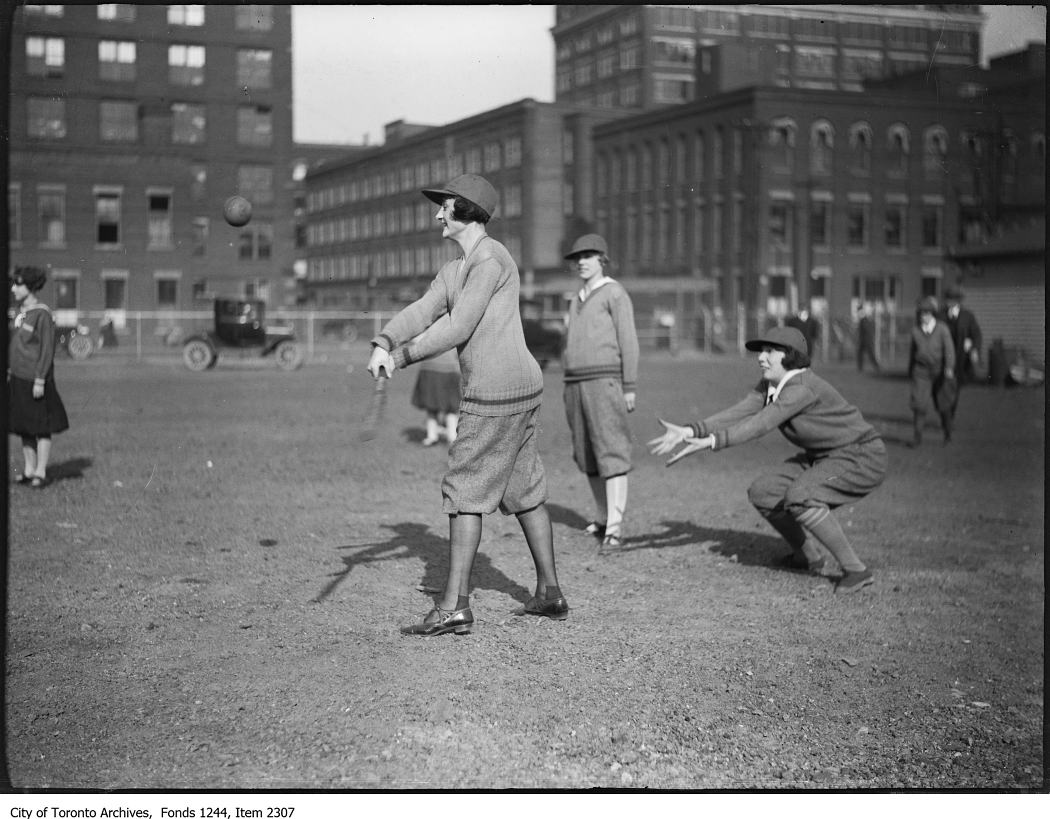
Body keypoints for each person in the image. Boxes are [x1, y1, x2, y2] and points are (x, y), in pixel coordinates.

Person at [366, 173, 567, 636]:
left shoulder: (491, 259)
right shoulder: (455, 268)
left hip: (495, 393)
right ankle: (550, 593)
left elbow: (458, 326)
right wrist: (384, 339)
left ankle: (453, 605)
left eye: (447, 206)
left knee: (464, 492)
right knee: (523, 487)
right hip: (521, 389)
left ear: (470, 211)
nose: (439, 213)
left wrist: (400, 356)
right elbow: (423, 309)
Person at [648, 326, 887, 594]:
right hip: (823, 457)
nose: (761, 357)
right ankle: (809, 556)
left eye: (769, 351)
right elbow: (740, 412)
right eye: (761, 351)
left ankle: (856, 570)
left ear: (790, 355)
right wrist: (691, 431)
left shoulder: (802, 388)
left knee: (801, 495)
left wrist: (714, 441)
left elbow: (761, 424)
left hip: (861, 457)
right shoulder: (771, 386)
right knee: (764, 491)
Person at [561, 234, 640, 554]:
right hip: (575, 384)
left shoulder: (614, 292)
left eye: (589, 255)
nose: (582, 261)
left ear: (602, 259)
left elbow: (629, 341)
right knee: (587, 453)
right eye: (578, 256)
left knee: (612, 452)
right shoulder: (575, 297)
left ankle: (616, 529)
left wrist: (629, 386)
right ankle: (604, 517)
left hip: (605, 381)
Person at [8, 266, 70, 488]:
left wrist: (40, 379)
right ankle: (28, 469)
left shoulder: (42, 314)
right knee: (24, 427)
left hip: (36, 380)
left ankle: (41, 472)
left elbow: (46, 350)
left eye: (18, 284)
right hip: (17, 378)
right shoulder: (19, 311)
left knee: (41, 426)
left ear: (31, 287)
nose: (14, 288)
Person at [907, 297, 955, 447]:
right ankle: (917, 437)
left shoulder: (942, 329)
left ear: (932, 314)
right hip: (921, 371)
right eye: (921, 313)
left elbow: (949, 350)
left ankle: (947, 434)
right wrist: (910, 371)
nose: (924, 316)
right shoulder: (915, 330)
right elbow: (912, 353)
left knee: (943, 404)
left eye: (927, 313)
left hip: (939, 370)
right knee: (919, 404)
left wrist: (949, 368)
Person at [942, 286, 982, 424]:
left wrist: (974, 348)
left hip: (960, 360)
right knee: (942, 388)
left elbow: (976, 334)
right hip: (944, 358)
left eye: (952, 299)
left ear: (957, 301)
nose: (949, 302)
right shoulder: (941, 315)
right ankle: (945, 413)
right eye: (947, 298)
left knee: (955, 388)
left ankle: (950, 414)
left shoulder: (967, 316)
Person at [410, 343, 460, 447]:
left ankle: (441, 436)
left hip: (438, 370)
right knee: (445, 407)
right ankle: (447, 437)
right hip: (441, 370)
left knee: (441, 407)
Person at [855, 303, 880, 373]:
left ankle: (876, 366)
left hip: (866, 340)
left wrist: (866, 338)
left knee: (870, 353)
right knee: (860, 353)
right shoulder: (863, 317)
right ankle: (860, 367)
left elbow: (866, 329)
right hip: (864, 339)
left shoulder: (863, 317)